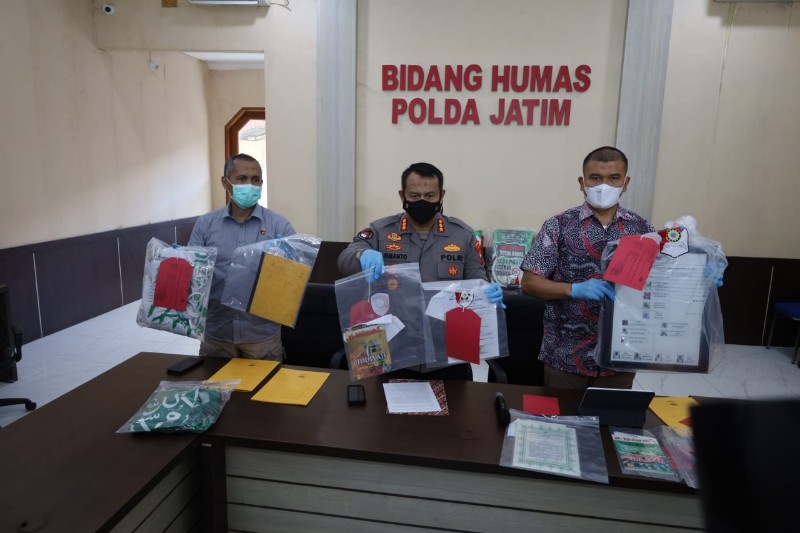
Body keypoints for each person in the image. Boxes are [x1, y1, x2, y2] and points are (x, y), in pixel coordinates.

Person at [520, 146, 654, 390]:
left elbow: (659, 282)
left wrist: (696, 277)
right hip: (565, 357)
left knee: (611, 415)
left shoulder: (642, 229)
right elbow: (529, 282)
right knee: (561, 415)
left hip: (620, 356)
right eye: (595, 178)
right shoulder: (558, 225)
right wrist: (572, 290)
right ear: (582, 182)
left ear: (625, 183)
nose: (604, 185)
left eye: (614, 178)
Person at [337, 162, 503, 304]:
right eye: (414, 195)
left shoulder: (463, 235)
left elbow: (477, 281)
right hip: (394, 321)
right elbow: (344, 260)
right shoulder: (381, 231)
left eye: (430, 195)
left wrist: (487, 291)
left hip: (442, 324)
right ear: (402, 195)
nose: (422, 201)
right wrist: (362, 254)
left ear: (441, 195)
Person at [189, 153, 295, 360]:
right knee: (214, 381)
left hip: (261, 335)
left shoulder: (279, 226)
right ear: (225, 182)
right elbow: (193, 274)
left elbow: (293, 279)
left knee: (265, 382)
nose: (250, 185)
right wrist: (178, 260)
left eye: (256, 180)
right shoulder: (206, 224)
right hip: (217, 333)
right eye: (242, 179)